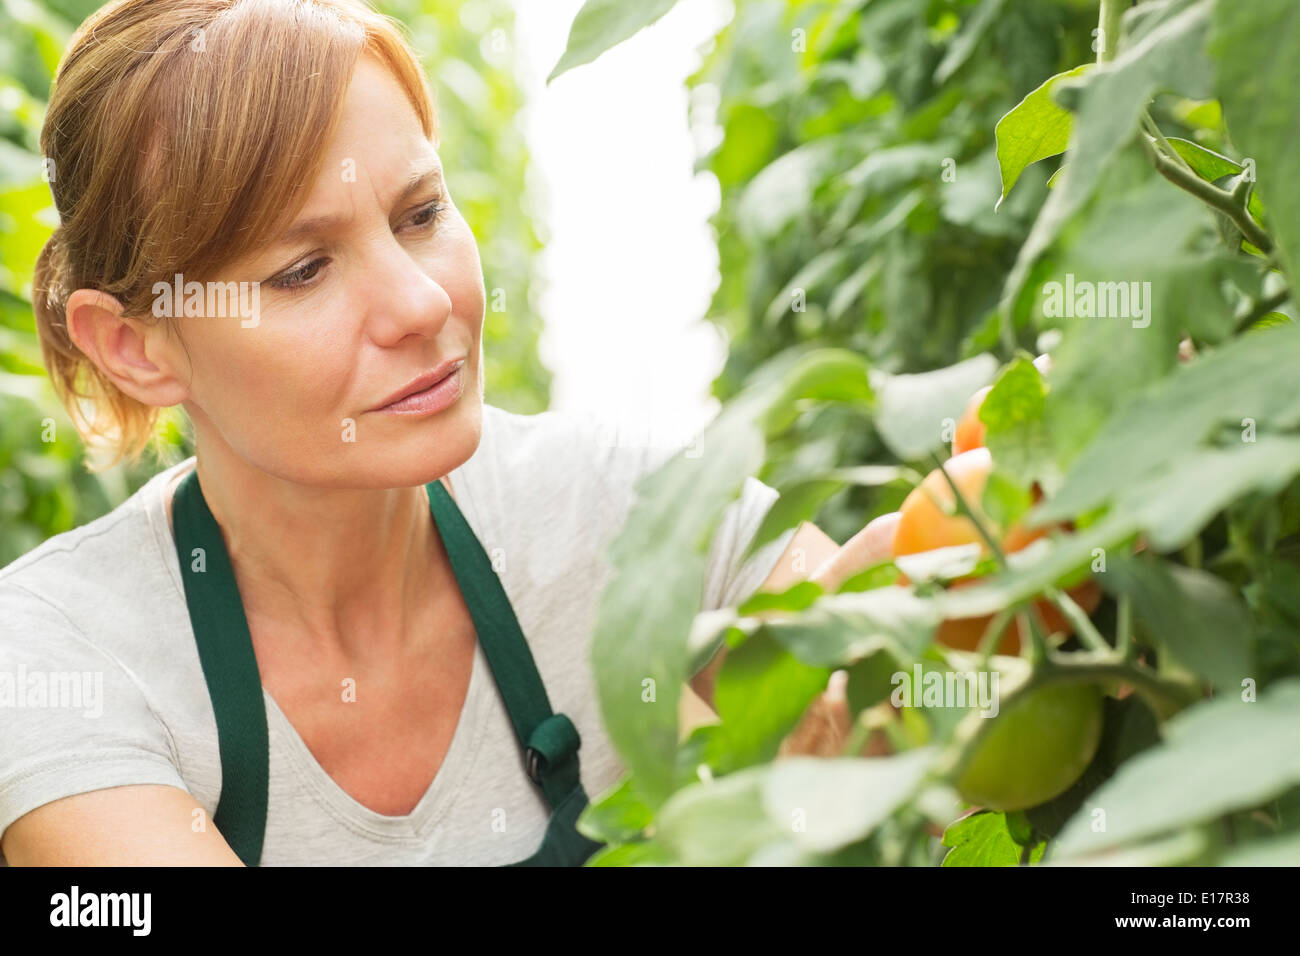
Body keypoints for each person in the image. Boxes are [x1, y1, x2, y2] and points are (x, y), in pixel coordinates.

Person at [0, 0, 895, 866]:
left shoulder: (639, 507)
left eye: (421, 215)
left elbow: (876, 679)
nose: (423, 304)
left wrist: (940, 593)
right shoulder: (59, 656)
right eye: (303, 271)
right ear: (136, 346)